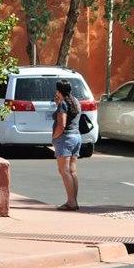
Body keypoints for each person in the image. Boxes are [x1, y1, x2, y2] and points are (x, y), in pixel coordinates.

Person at [52, 79, 81, 211]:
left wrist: (54, 137)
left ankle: (71, 202)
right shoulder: (75, 101)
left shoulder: (63, 104)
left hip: (65, 138)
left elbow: (62, 124)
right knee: (72, 171)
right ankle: (74, 200)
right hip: (76, 137)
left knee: (64, 171)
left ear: (59, 90)